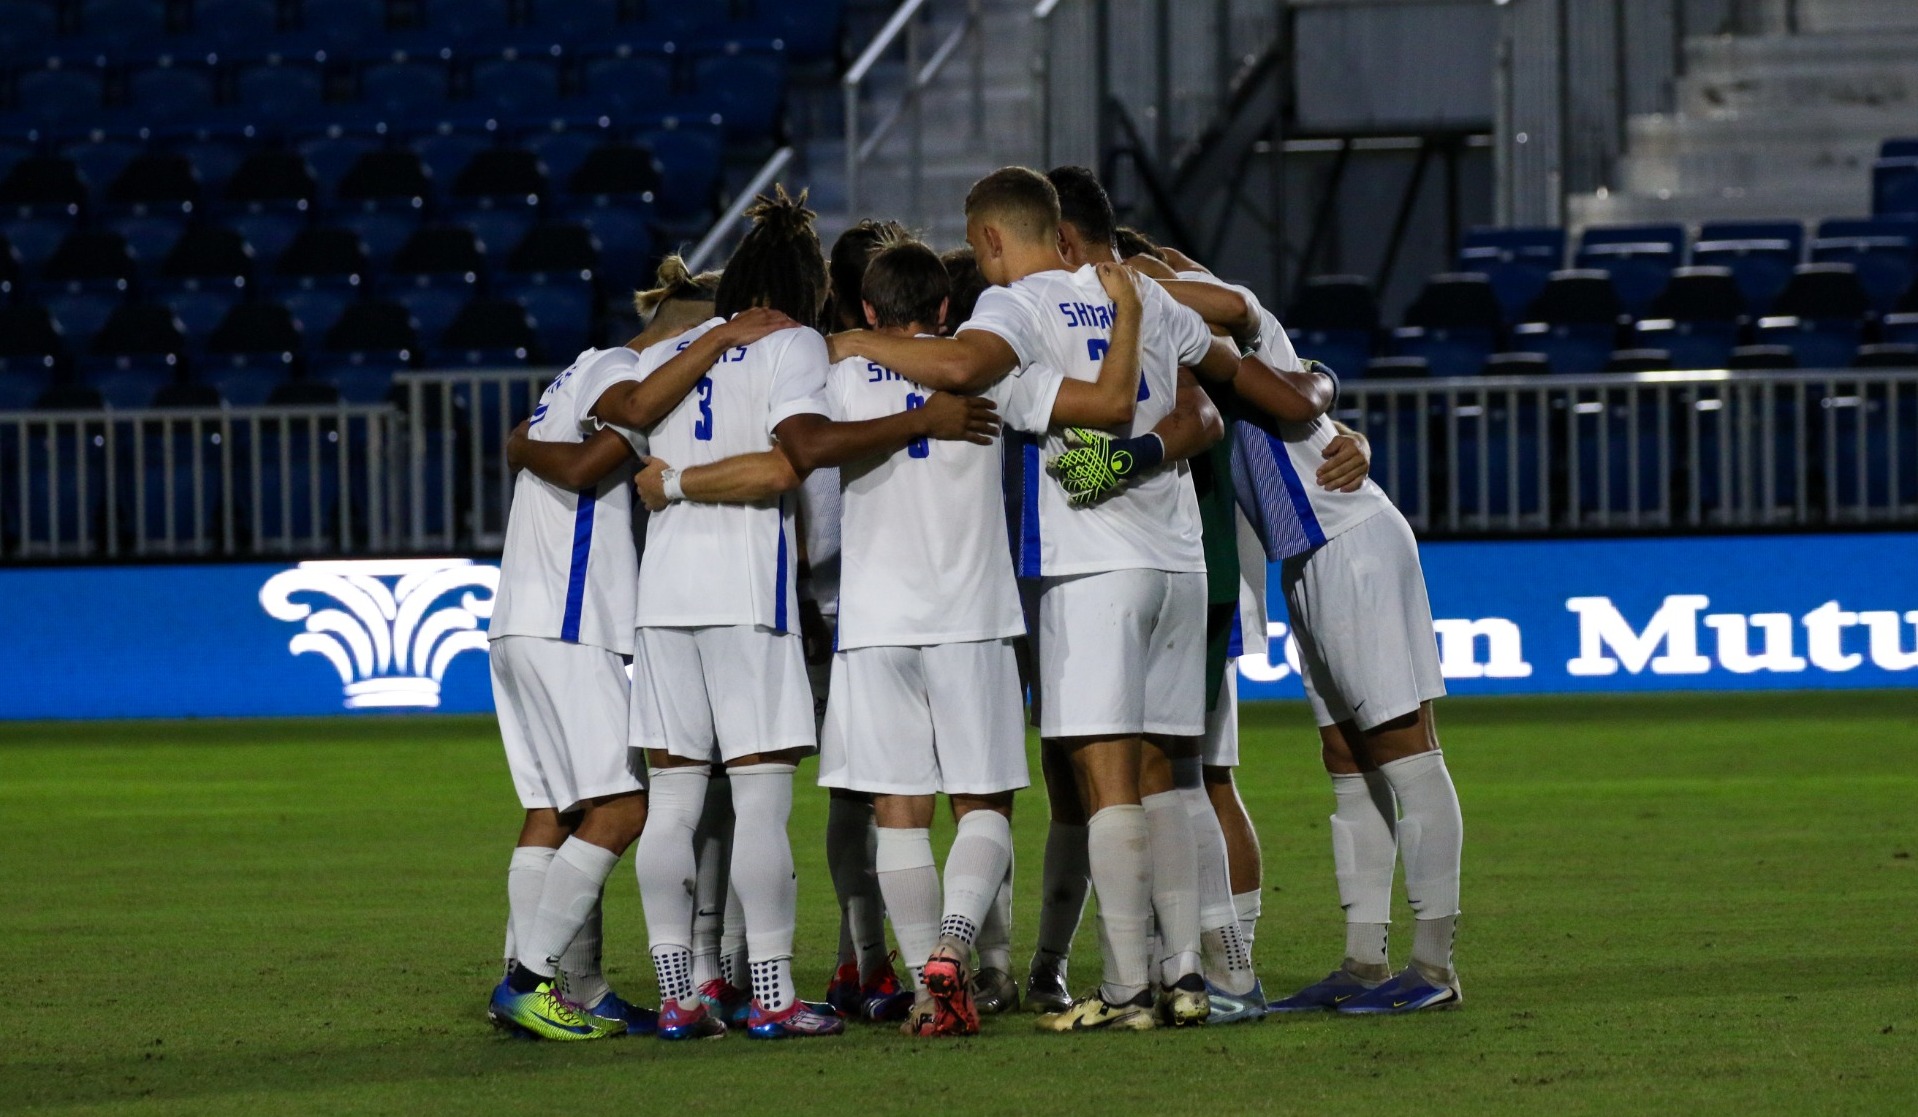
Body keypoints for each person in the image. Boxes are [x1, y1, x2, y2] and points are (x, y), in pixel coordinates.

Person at [829, 166, 1257, 1032]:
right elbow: (1225, 378)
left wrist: (849, 345)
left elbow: (960, 366)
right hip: (1180, 560)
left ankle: (1129, 984)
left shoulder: (1015, 313)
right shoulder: (1136, 289)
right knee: (1171, 777)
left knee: (1103, 785)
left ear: (990, 241)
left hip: (1095, 566)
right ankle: (1191, 974)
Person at [625, 187, 995, 1042]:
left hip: (662, 592)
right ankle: (774, 992)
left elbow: (635, 422)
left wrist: (672, 481)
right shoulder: (793, 344)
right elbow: (796, 457)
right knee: (759, 798)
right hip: (744, 595)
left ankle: (680, 991)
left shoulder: (672, 349)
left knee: (675, 800)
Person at [811, 238, 1151, 1037]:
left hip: (874, 623)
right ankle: (956, 949)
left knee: (897, 807)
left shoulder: (834, 372)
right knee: (982, 803)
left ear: (867, 309)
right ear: (944, 310)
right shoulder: (988, 371)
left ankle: (932, 988)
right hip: (972, 616)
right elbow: (1104, 405)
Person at [484, 257, 797, 1041]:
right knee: (626, 807)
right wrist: (722, 337)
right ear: (686, 327)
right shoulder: (624, 366)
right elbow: (594, 462)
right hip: (568, 616)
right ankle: (530, 982)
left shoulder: (579, 369)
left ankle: (562, 986)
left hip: (524, 614)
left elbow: (546, 448)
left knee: (551, 811)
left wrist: (521, 448)